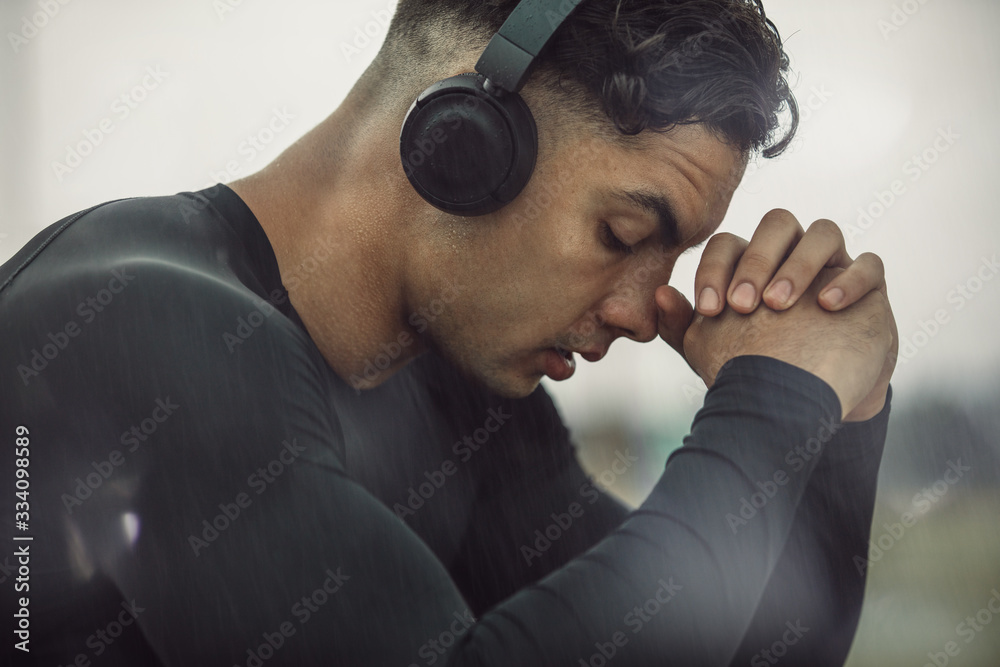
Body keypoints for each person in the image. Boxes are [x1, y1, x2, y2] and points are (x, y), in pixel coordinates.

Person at [0, 0, 897, 664]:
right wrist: (769, 406)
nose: (639, 311)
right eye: (622, 234)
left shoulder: (459, 388)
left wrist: (837, 406)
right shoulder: (136, 327)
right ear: (463, 136)